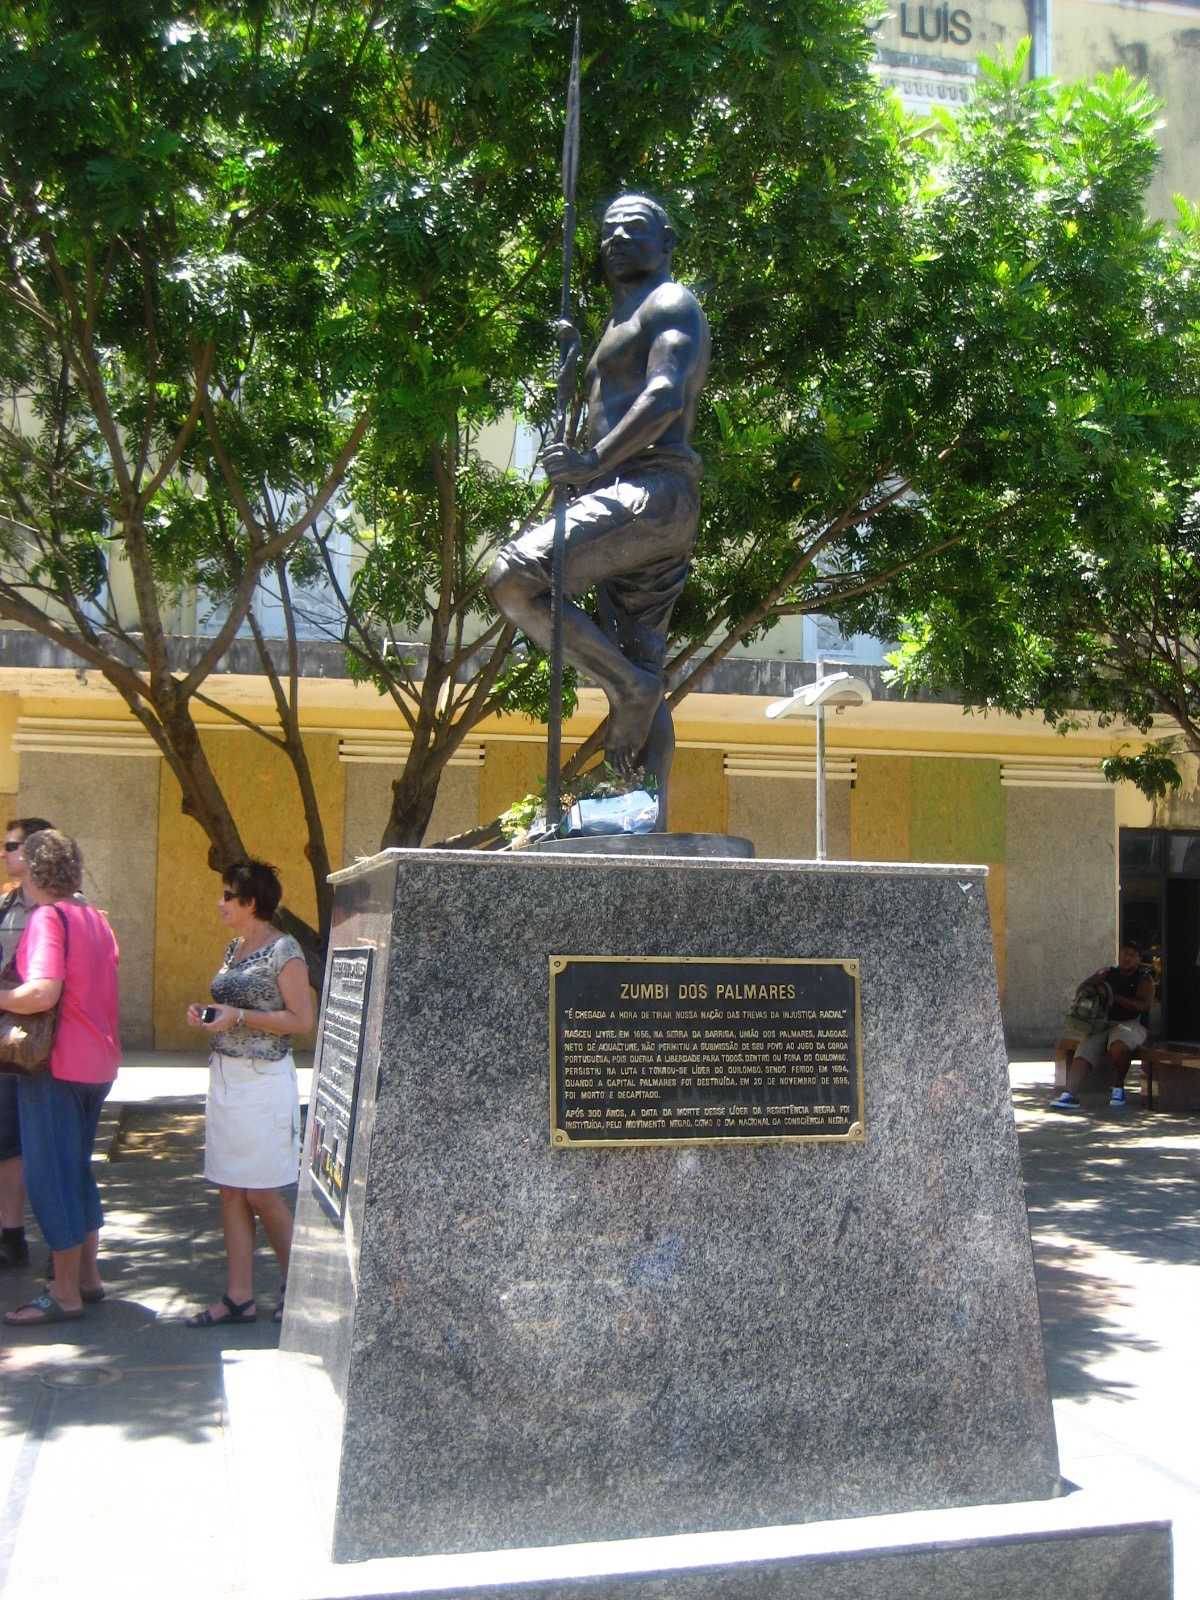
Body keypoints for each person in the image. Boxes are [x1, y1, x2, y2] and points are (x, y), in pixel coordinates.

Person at [486, 193, 711, 824]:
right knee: (641, 661)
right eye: (608, 230)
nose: (616, 239)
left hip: (651, 492)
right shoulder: (620, 318)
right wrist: (574, 370)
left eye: (634, 229)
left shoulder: (670, 302)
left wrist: (593, 461)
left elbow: (665, 396)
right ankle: (646, 815)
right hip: (635, 497)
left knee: (512, 577)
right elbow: (614, 398)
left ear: (667, 241)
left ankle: (630, 689)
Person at [185, 860, 313, 1327]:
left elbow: (302, 1020)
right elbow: (233, 1004)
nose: (219, 903)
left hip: (264, 1083)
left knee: (261, 1193)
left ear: (251, 902)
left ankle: (299, 1287)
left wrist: (238, 1017)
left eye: (227, 896)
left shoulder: (285, 950)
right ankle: (240, 1298)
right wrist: (208, 1012)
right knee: (230, 1190)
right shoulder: (234, 948)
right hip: (226, 1079)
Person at [2, 830, 120, 1325]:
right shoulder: (95, 918)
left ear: (33, 869)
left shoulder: (48, 918)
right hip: (97, 1064)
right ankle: (87, 1278)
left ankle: (65, 1291)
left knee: (50, 1177)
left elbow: (43, 992)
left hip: (55, 1066)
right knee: (76, 1172)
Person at [0, 815, 55, 1270]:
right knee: (7, 1141)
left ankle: (67, 1255)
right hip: (7, 1037)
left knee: (48, 1144)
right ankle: (12, 1236)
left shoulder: (65, 910)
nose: (4, 853)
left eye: (11, 846)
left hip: (46, 1042)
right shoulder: (6, 904)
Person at [1050, 942, 1155, 1112]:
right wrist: (1092, 993)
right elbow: (1081, 989)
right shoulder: (1106, 973)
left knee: (1118, 1046)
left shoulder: (1144, 979)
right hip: (1103, 1023)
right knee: (1084, 1051)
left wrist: (1112, 996)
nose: (1127, 958)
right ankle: (1070, 1094)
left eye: (1132, 954)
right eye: (1124, 953)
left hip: (1132, 1024)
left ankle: (1118, 1087)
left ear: (1138, 959)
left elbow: (1143, 1006)